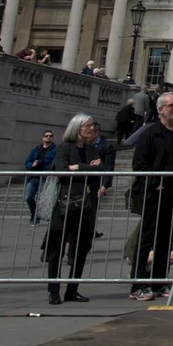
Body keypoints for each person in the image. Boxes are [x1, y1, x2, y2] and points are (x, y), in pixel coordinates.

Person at [129, 92, 173, 301]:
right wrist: (155, 185)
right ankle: (137, 284)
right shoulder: (149, 134)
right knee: (147, 238)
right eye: (171, 105)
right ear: (160, 109)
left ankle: (158, 281)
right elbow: (139, 165)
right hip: (154, 193)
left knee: (165, 239)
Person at [46, 113, 113, 304]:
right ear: (77, 128)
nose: (91, 129)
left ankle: (72, 289)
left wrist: (78, 167)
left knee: (82, 248)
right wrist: (82, 168)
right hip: (65, 203)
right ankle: (53, 290)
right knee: (57, 249)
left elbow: (100, 169)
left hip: (87, 204)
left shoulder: (93, 149)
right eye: (87, 126)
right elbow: (62, 171)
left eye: (92, 126)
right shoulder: (64, 148)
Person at [24, 130, 57, 225]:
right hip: (34, 176)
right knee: (29, 197)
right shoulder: (36, 149)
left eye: (50, 136)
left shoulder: (55, 149)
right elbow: (27, 162)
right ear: (43, 138)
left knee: (42, 199)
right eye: (46, 136)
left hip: (46, 178)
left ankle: (40, 217)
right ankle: (34, 214)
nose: (48, 137)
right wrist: (32, 165)